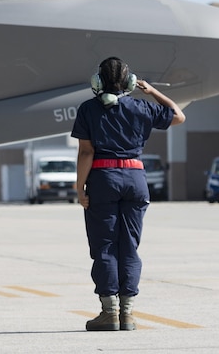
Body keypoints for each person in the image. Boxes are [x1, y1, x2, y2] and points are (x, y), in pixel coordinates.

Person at [71, 57, 185, 331]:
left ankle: (109, 313)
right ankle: (128, 314)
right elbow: (178, 116)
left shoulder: (88, 109)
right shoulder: (142, 107)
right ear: (131, 82)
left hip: (103, 179)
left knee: (105, 246)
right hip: (135, 179)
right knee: (129, 247)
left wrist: (79, 188)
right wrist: (152, 91)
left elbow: (87, 152)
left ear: (97, 82)